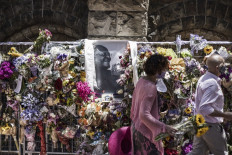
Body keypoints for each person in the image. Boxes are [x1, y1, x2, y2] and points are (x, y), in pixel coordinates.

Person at [130, 54, 177, 155]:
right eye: (164, 69)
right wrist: (164, 127)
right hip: (145, 133)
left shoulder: (141, 81)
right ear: (158, 69)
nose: (165, 72)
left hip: (136, 128)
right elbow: (144, 115)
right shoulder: (150, 87)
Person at [188, 54, 232, 155]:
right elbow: (205, 108)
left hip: (200, 122)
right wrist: (225, 115)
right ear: (218, 67)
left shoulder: (204, 78)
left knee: (197, 152)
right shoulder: (212, 83)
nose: (225, 67)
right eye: (223, 65)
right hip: (210, 125)